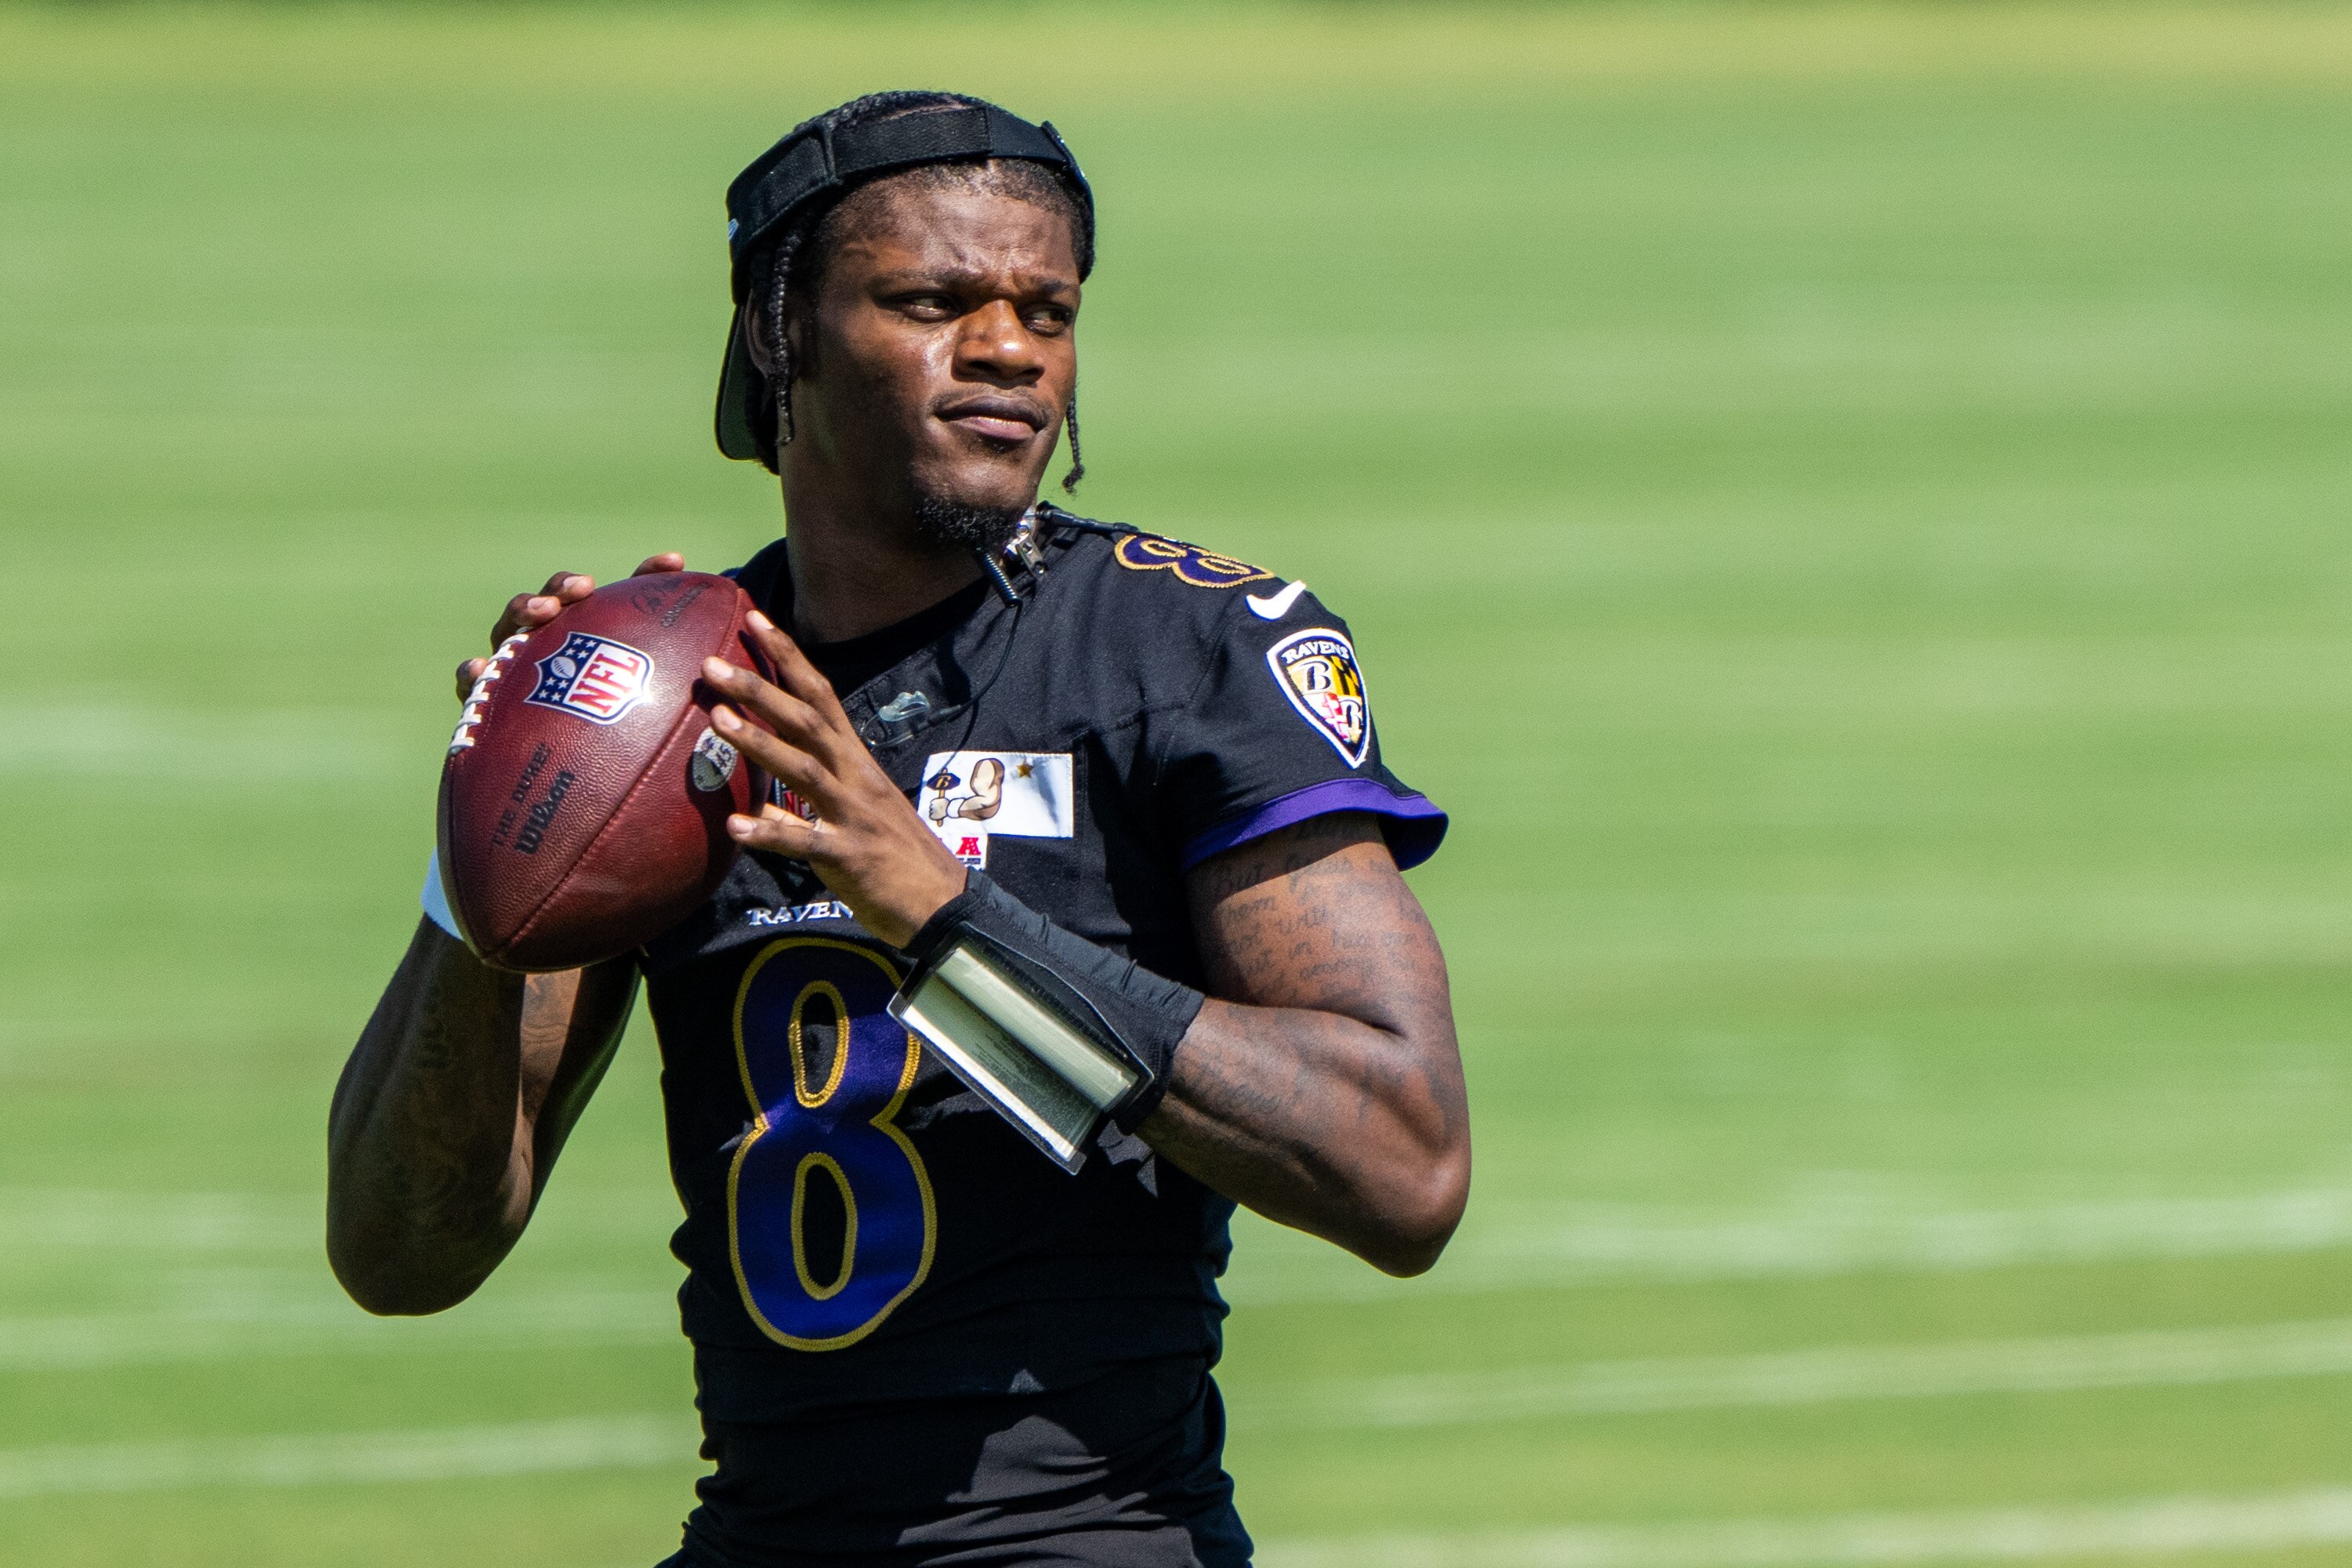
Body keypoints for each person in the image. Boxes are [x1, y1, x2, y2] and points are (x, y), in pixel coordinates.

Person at [327, 90, 1468, 1567]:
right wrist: (483, 863)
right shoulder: (688, 700)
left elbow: (1403, 1167)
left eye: (1045, 311)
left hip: (1094, 1540)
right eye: (932, 300)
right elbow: (399, 1251)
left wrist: (939, 914)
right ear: (777, 336)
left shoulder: (1187, 649)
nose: (1006, 349)